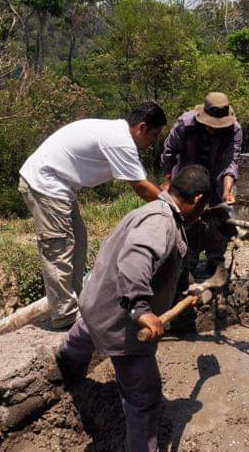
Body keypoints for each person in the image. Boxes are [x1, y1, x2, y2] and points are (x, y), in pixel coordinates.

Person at [50, 165, 213, 452]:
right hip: (124, 324)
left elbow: (164, 266)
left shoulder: (152, 212)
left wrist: (186, 290)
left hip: (96, 307)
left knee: (81, 338)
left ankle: (64, 370)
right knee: (144, 400)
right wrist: (140, 309)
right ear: (198, 199)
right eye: (204, 206)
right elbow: (136, 259)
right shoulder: (160, 223)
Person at [19, 102, 167, 330]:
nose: (154, 141)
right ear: (142, 127)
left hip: (60, 187)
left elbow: (144, 181)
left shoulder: (117, 134)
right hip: (45, 184)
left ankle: (79, 304)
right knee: (58, 249)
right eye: (154, 134)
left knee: (77, 242)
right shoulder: (120, 141)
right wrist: (172, 208)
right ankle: (65, 317)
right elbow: (141, 186)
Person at [161, 92, 241, 283]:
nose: (214, 129)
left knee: (220, 217)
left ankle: (215, 262)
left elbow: (231, 161)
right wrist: (166, 181)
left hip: (217, 178)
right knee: (185, 219)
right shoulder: (185, 124)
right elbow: (169, 152)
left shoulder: (234, 130)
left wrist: (227, 190)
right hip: (187, 177)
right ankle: (187, 264)